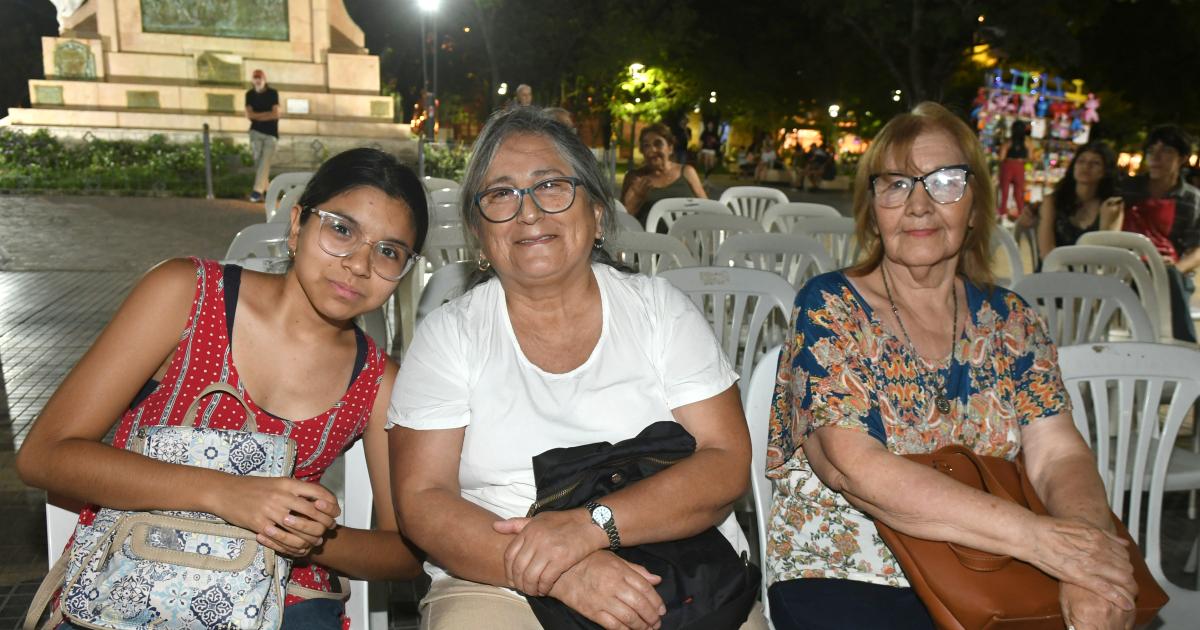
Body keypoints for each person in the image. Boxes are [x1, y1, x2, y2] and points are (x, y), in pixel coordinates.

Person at [16, 148, 429, 629]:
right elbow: (45, 454)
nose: (359, 263)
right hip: (131, 574)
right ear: (297, 226)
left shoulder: (376, 382)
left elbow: (404, 551)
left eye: (388, 252)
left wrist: (306, 537)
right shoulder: (186, 295)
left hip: (278, 594)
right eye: (342, 229)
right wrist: (226, 495)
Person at [388, 106, 765, 630]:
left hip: (679, 563)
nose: (528, 213)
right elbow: (423, 500)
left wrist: (589, 528)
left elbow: (725, 460)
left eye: (551, 186)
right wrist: (560, 571)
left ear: (598, 214)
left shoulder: (659, 310)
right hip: (500, 576)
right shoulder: (450, 335)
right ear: (478, 232)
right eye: (501, 194)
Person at [765, 102, 1137, 630]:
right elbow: (855, 466)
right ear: (873, 210)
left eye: (945, 182)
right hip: (851, 573)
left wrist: (1087, 557)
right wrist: (1043, 541)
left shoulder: (1011, 320)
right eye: (896, 184)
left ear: (977, 207)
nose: (918, 205)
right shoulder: (830, 306)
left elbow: (1058, 454)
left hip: (995, 567)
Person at [1115, 125, 1200, 342]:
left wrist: (1177, 267)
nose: (1156, 157)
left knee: (1169, 276)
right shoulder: (1128, 188)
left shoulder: (1191, 199)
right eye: (1151, 151)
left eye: (1166, 151)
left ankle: (1184, 348)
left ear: (1182, 158)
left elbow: (1197, 249)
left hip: (1169, 270)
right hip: (1125, 266)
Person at [1036, 142, 1124, 257]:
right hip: (1054, 265)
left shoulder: (1110, 205)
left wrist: (1107, 223)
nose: (1086, 166)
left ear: (1105, 171)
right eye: (1081, 161)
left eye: (1095, 163)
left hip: (1092, 266)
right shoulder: (1053, 201)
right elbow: (1046, 252)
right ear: (1074, 166)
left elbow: (1106, 255)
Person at [620, 123, 707, 228]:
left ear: (670, 148)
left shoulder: (687, 172)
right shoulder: (635, 177)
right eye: (646, 145)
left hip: (686, 236)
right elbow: (621, 221)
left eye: (658, 144)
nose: (652, 150)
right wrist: (637, 198)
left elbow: (707, 208)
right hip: (647, 236)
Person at [245, 69, 281, 204]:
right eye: (255, 78)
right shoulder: (249, 94)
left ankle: (257, 191)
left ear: (264, 79)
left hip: (271, 134)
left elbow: (276, 114)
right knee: (259, 163)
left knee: (264, 161)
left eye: (259, 77)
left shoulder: (272, 93)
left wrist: (257, 116)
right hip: (255, 133)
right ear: (252, 80)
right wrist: (267, 114)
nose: (257, 80)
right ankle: (268, 191)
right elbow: (249, 115)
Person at [997, 119, 1033, 220]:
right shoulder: (1028, 142)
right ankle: (1021, 212)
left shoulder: (1008, 142)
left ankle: (1003, 212)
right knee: (1018, 192)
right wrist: (1022, 159)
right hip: (1020, 166)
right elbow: (1031, 157)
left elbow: (1001, 157)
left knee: (1004, 191)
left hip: (1007, 166)